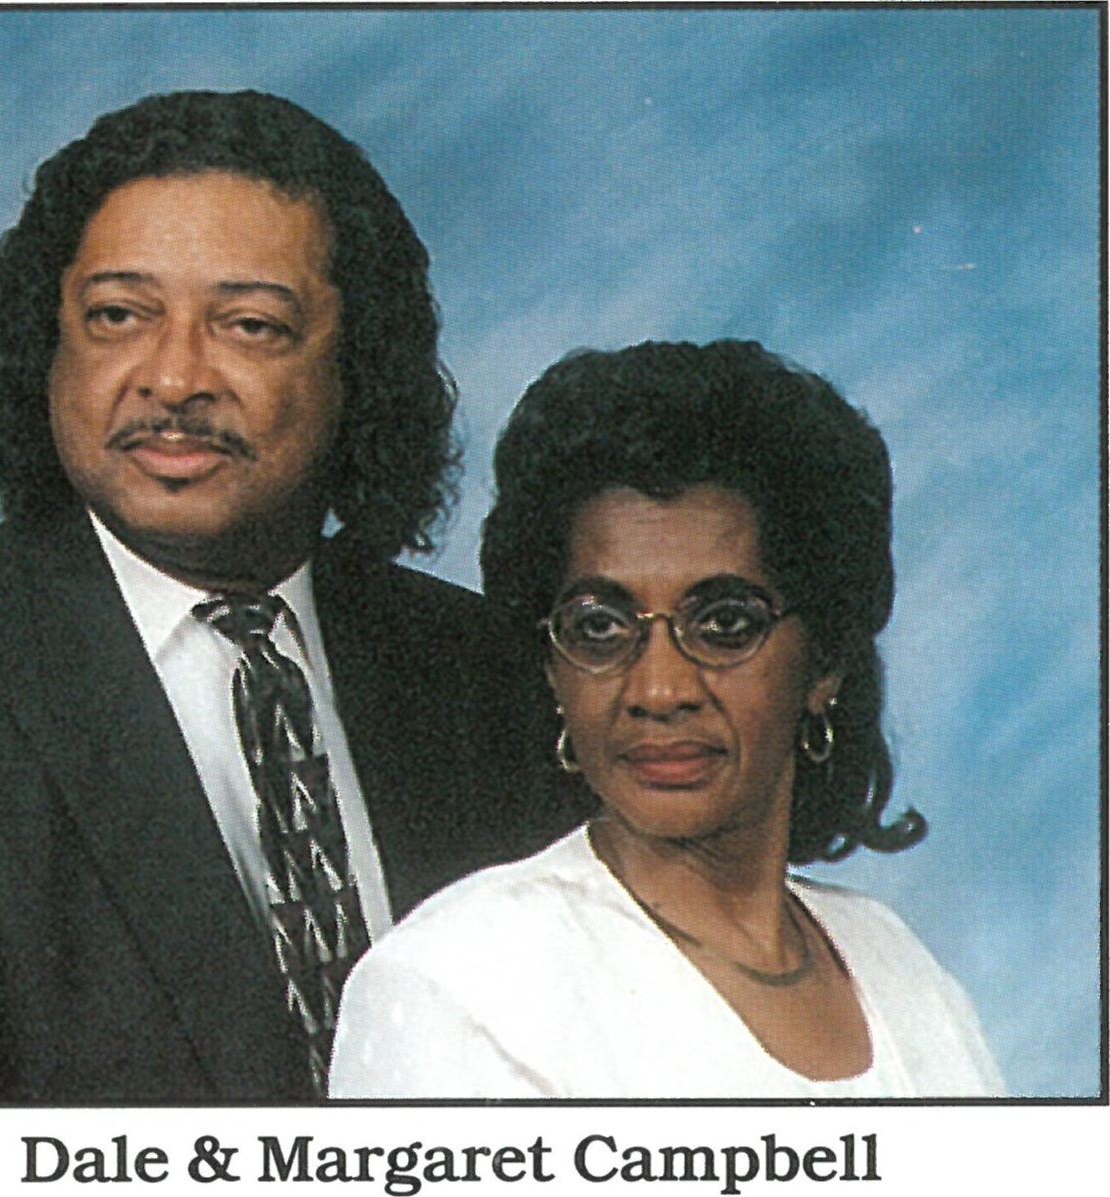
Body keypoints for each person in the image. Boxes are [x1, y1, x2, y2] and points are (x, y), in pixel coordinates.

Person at [0, 90, 575, 1105]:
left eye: (250, 325)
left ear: (358, 367)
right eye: (118, 316)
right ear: (48, 348)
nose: (171, 379)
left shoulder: (485, 668)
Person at [330, 340, 1006, 1098]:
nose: (657, 689)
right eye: (599, 627)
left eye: (725, 624)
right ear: (552, 666)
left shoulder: (899, 968)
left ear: (823, 664)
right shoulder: (459, 983)